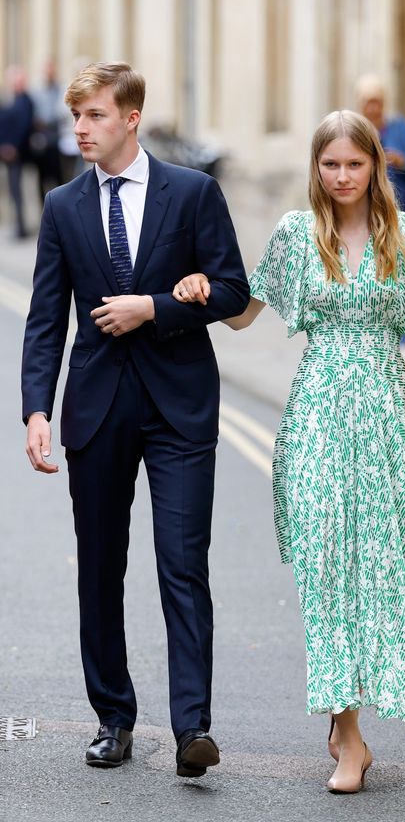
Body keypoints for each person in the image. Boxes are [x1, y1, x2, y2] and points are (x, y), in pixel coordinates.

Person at [172, 110, 405, 794]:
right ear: (315, 169)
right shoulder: (299, 235)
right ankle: (349, 738)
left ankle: (351, 720)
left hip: (384, 422)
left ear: (376, 166)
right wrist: (203, 288)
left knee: (377, 572)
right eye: (331, 164)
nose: (344, 176)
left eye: (356, 163)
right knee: (327, 573)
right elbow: (246, 311)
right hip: (318, 420)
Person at [21, 62, 249, 775]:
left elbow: (234, 291)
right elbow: (44, 320)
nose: (79, 129)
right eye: (75, 117)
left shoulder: (193, 193)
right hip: (95, 408)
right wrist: (36, 408)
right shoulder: (62, 206)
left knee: (183, 566)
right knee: (100, 569)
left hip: (179, 406)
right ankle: (113, 719)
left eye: (92, 116)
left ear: (129, 118)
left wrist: (155, 307)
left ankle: (191, 730)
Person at [355, 74, 405, 212]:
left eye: (377, 103)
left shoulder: (399, 128)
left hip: (399, 205)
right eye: (368, 103)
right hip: (364, 206)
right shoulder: (354, 131)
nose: (373, 109)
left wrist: (401, 161)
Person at [0, 65, 34, 239]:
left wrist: (12, 146)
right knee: (11, 191)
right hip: (5, 151)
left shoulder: (25, 100)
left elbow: (23, 126)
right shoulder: (10, 99)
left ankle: (21, 228)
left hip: (17, 153)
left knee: (17, 191)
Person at [31, 61, 62, 200]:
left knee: (59, 179)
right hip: (42, 142)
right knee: (41, 179)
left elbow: (60, 112)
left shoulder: (61, 90)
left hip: (57, 141)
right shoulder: (37, 92)